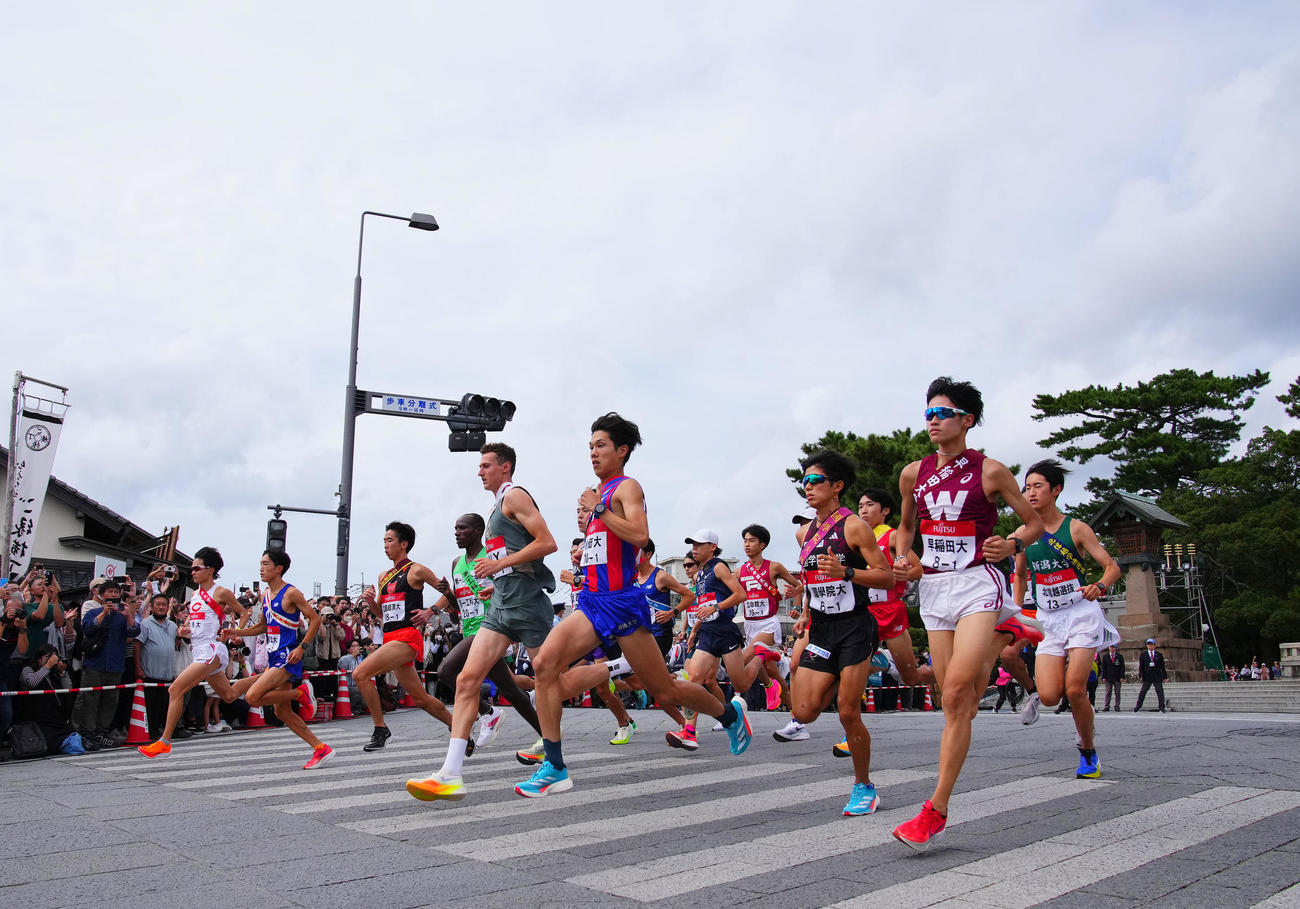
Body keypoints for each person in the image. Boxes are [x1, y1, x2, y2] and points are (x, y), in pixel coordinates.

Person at [511, 413, 752, 798]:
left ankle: (729, 714)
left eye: (601, 445)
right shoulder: (595, 494)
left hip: (622, 605)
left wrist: (600, 509)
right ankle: (555, 767)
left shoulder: (626, 488)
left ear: (621, 451)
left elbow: (640, 536)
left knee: (665, 690)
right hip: (591, 602)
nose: (593, 452)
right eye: (590, 446)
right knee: (544, 666)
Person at [891, 377, 1045, 851]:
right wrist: (903, 558)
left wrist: (1013, 542)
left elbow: (1036, 522)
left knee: (957, 692)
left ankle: (934, 810)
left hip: (980, 581)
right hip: (936, 589)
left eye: (943, 413)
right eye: (928, 414)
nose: (933, 421)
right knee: (956, 698)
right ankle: (1004, 636)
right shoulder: (913, 473)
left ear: (967, 420)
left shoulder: (992, 471)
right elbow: (905, 527)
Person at [405, 441, 559, 801]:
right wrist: (495, 583)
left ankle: (615, 668)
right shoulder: (495, 510)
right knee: (466, 679)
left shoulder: (516, 496)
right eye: (480, 466)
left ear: (505, 468)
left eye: (486, 465)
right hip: (501, 606)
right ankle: (450, 773)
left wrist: (499, 566)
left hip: (527, 605)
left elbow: (547, 542)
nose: (480, 471)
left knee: (553, 680)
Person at [788, 450, 895, 815]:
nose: (808, 488)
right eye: (804, 482)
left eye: (815, 481)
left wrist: (847, 573)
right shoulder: (804, 531)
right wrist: (803, 611)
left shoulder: (853, 526)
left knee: (849, 711)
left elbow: (886, 575)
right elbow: (811, 579)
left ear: (837, 486)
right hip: (821, 628)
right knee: (803, 711)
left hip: (854, 626)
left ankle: (864, 786)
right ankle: (851, 670)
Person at [1010, 459, 1120, 778]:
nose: (1030, 493)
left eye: (1037, 486)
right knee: (1048, 695)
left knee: (1074, 690)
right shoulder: (1022, 534)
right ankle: (1084, 715)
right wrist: (1017, 615)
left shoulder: (1076, 528)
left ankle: (1088, 752)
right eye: (1026, 487)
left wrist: (1099, 586)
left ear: (1055, 490)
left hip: (1081, 614)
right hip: (1049, 619)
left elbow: (1111, 566)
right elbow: (1019, 576)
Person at [428, 512, 545, 751]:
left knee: (446, 671)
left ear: (478, 531)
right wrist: (448, 593)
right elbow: (457, 608)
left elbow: (510, 585)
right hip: (469, 628)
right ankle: (548, 737)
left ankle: (488, 712)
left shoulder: (490, 556)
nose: (457, 533)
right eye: (455, 528)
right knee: (510, 689)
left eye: (462, 528)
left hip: (491, 626)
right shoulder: (456, 564)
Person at [217, 550, 333, 769]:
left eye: (265, 563)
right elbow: (262, 626)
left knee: (252, 697)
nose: (261, 568)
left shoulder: (291, 593)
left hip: (287, 656)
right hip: (273, 656)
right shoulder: (266, 595)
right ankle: (320, 748)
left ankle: (301, 692)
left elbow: (315, 619)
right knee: (281, 711)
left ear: (278, 568)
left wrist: (302, 647)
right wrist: (236, 633)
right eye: (260, 563)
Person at [352, 522, 456, 752]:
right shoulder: (384, 576)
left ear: (404, 544)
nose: (386, 545)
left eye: (390, 540)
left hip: (407, 638)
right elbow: (382, 614)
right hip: (390, 638)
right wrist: (370, 602)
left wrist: (431, 611)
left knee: (360, 673)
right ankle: (458, 729)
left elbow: (448, 594)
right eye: (384, 541)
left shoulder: (416, 570)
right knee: (421, 699)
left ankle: (381, 728)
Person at [136, 548, 248, 758]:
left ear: (210, 570)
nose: (193, 571)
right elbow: (191, 626)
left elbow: (242, 612)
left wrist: (237, 633)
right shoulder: (195, 595)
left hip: (212, 650)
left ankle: (164, 742)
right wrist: (185, 630)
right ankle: (272, 677)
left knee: (175, 690)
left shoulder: (220, 592)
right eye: (192, 568)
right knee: (230, 695)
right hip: (198, 651)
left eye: (197, 568)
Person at [736, 524, 802, 714]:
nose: (747, 545)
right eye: (745, 541)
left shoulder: (774, 567)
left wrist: (796, 608)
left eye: (752, 540)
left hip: (768, 624)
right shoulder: (740, 572)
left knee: (744, 658)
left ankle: (738, 698)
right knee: (771, 670)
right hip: (750, 625)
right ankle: (793, 707)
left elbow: (798, 586)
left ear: (762, 544)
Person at [74, 579, 141, 749]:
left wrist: (128, 616)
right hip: (94, 663)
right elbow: (87, 629)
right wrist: (103, 613)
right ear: (101, 595)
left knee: (110, 700)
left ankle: (102, 732)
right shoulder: (93, 611)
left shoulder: (122, 614)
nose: (113, 595)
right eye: (109, 592)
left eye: (115, 592)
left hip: (115, 664)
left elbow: (134, 632)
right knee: (90, 699)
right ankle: (87, 733)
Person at [134, 591, 179, 740]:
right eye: (158, 604)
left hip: (167, 675)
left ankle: (160, 730)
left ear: (168, 607)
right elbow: (137, 645)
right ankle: (150, 732)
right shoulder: (145, 624)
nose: (161, 607)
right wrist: (138, 668)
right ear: (152, 607)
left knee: (163, 706)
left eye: (164, 605)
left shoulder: (172, 625)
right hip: (150, 674)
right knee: (150, 706)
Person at [1134, 638, 1168, 712]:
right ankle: (1138, 706)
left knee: (1160, 692)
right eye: (1149, 645)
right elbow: (1141, 666)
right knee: (1143, 691)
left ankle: (1161, 707)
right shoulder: (1143, 655)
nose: (1150, 646)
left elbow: (1162, 667)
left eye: (1152, 645)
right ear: (1147, 646)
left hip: (1157, 676)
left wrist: (1164, 677)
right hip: (1147, 676)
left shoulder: (1159, 655)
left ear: (1154, 646)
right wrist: (1140, 676)